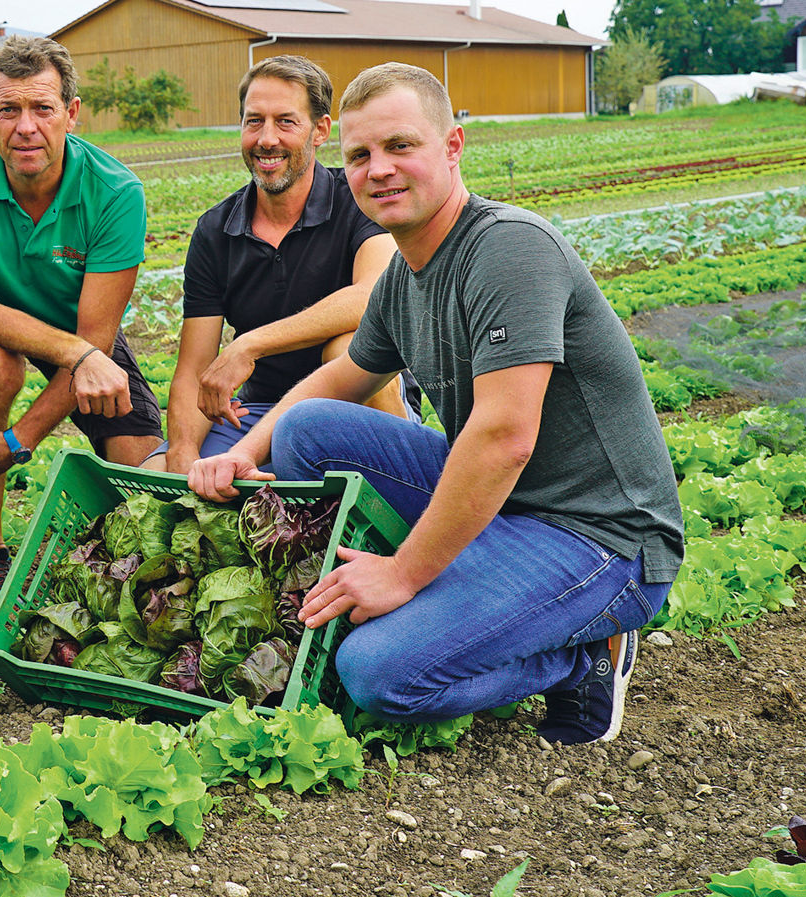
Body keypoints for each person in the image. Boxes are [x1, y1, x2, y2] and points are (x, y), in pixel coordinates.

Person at [188, 62, 682, 746]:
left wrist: (405, 573)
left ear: (452, 146)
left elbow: (505, 435)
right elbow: (336, 384)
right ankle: (444, 596)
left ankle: (581, 660)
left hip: (600, 537)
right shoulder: (406, 270)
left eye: (400, 146)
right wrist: (241, 453)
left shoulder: (509, 249)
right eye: (360, 156)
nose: (379, 169)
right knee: (305, 428)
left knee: (377, 672)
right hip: (504, 503)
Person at [0, 36, 162, 613]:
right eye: (9, 110)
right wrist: (78, 360)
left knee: (139, 456)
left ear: (71, 114)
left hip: (75, 323)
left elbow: (95, 340)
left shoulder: (115, 191)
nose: (25, 127)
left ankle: (105, 551)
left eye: (42, 109)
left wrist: (16, 443)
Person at [148, 54, 407, 478]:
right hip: (259, 410)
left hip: (359, 406)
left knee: (346, 347)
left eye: (285, 122)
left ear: (320, 130)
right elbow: (195, 368)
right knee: (159, 472)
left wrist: (250, 344)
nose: (266, 139)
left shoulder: (358, 199)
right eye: (254, 122)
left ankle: (402, 495)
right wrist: (183, 456)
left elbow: (372, 299)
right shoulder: (216, 230)